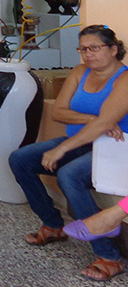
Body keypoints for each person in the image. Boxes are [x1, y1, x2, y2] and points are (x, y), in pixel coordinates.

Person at [8, 24, 128, 281]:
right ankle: (53, 225)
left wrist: (64, 147)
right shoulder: (79, 72)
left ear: (114, 49)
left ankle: (109, 256)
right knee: (20, 159)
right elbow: (58, 112)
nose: (88, 54)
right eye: (83, 49)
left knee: (70, 174)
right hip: (81, 141)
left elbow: (106, 125)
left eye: (94, 48)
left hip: (113, 148)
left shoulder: (125, 79)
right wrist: (95, 119)